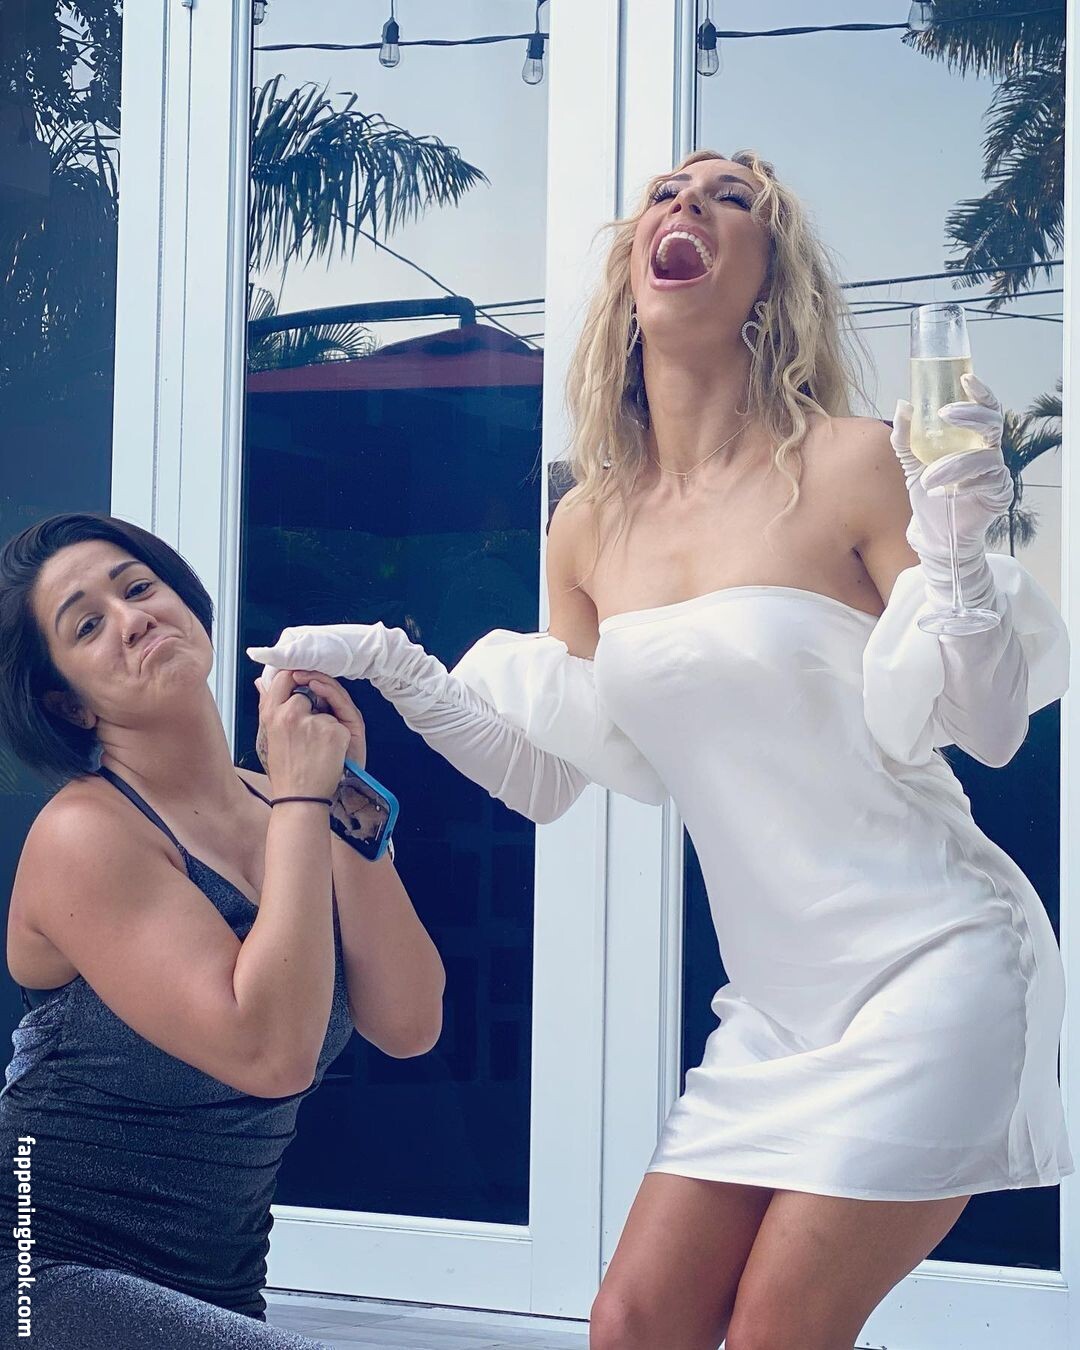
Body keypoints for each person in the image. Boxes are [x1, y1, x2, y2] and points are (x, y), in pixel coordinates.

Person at [247, 150, 1073, 1350]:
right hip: (776, 1007)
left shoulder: (854, 460)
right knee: (634, 1323)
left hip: (938, 961)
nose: (687, 205)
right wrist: (398, 666)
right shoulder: (587, 525)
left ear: (770, 281)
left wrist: (953, 546)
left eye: (731, 198)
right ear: (635, 264)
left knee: (781, 1329)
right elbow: (548, 776)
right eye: (667, 194)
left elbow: (992, 730)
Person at [0, 513, 445, 1349]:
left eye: (139, 588)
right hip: (35, 1273)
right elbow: (269, 1053)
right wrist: (305, 797)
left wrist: (339, 790)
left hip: (222, 1295)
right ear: (68, 702)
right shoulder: (84, 834)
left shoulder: (290, 797)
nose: (133, 618)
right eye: (88, 626)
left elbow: (409, 1021)